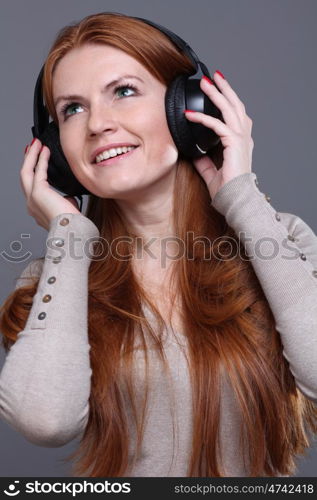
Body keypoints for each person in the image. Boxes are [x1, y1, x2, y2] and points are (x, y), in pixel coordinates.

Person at [0, 11, 317, 478]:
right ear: (54, 145)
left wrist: (242, 195)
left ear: (189, 105)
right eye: (72, 109)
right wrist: (67, 233)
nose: (97, 125)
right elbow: (45, 422)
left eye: (123, 91)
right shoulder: (56, 279)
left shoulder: (281, 241)